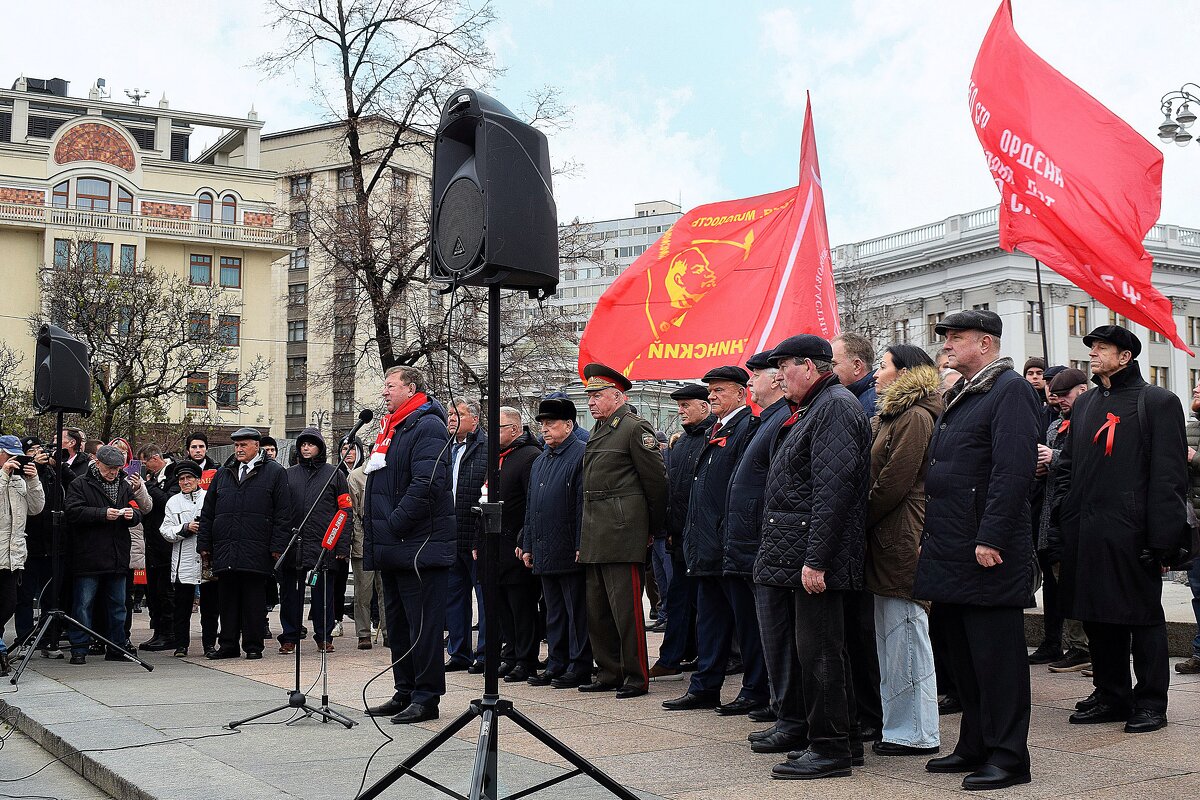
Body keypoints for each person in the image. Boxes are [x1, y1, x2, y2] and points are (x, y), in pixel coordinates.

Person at [914, 309, 1039, 790]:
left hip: (984, 549)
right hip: (950, 545)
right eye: (945, 336)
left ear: (985, 344)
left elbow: (1012, 472)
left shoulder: (1010, 391)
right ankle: (974, 745)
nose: (946, 344)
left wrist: (991, 536)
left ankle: (1008, 756)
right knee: (962, 655)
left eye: (956, 337)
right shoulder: (965, 392)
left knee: (997, 660)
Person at [1052, 325, 1186, 734]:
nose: (1092, 353)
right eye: (1091, 347)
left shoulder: (1158, 401)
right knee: (1097, 616)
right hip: (1087, 531)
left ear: (1125, 357)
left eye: (1102, 348)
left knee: (1142, 619)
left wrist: (1162, 541)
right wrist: (1064, 519)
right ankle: (1111, 694)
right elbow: (1068, 467)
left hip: (1133, 533)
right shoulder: (1087, 402)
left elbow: (1169, 476)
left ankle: (1150, 702)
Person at [754, 334, 871, 781]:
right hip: (806, 552)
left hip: (818, 556)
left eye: (784, 366)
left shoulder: (835, 407)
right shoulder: (818, 406)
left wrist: (817, 559)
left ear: (810, 366)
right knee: (820, 652)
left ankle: (830, 748)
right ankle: (840, 740)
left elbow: (834, 491)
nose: (779, 375)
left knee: (821, 653)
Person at [664, 366, 767, 717]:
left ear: (741, 393)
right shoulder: (715, 430)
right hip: (705, 545)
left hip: (729, 546)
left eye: (719, 390)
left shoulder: (746, 429)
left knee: (745, 624)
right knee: (709, 622)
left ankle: (754, 690)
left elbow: (741, 490)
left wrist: (726, 534)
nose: (711, 396)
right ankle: (705, 687)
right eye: (710, 391)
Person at [362, 366, 455, 724]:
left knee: (423, 627)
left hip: (419, 546)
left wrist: (395, 522)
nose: (384, 392)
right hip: (393, 545)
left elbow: (428, 483)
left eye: (390, 385)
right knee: (398, 626)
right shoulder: (393, 427)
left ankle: (426, 696)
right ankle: (405, 691)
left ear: (410, 388)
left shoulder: (427, 425)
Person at [863, 345, 942, 757]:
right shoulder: (895, 414)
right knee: (891, 639)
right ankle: (898, 726)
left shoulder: (914, 416)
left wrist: (861, 515)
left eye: (884, 365)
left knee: (907, 634)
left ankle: (916, 731)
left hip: (902, 535)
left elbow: (895, 481)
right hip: (889, 534)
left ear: (905, 372)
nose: (877, 373)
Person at [578, 362, 669, 698]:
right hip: (596, 533)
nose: (590, 402)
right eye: (589, 396)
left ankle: (634, 675)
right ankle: (608, 670)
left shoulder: (633, 427)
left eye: (597, 396)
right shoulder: (600, 430)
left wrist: (653, 528)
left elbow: (656, 482)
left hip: (622, 531)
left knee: (626, 611)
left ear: (616, 397)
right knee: (598, 610)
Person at [724, 351, 793, 741]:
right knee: (761, 631)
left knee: (776, 634)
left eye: (757, 377)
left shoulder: (781, 418)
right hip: (752, 542)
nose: (750, 383)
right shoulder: (765, 420)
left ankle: (780, 707)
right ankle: (773, 702)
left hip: (766, 543)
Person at [197, 427, 292, 660]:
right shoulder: (224, 473)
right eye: (236, 445)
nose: (239, 449)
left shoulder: (275, 472)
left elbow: (283, 514)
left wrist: (277, 547)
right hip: (226, 547)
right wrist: (205, 543)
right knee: (227, 599)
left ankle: (253, 645)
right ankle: (228, 644)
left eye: (244, 445)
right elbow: (208, 510)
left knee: (253, 600)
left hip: (256, 547)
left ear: (256, 446)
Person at [831, 332, 885, 738]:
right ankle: (865, 712)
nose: (829, 372)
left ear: (858, 368)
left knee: (864, 637)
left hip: (867, 535)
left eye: (834, 364)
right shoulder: (855, 401)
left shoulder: (861, 405)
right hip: (858, 535)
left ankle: (871, 715)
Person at [520, 397, 592, 688]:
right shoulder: (540, 460)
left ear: (569, 425)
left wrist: (580, 544)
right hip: (544, 547)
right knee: (553, 612)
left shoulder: (581, 455)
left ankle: (579, 665)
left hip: (568, 547)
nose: (545, 429)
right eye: (542, 424)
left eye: (551, 424)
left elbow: (581, 505)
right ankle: (556, 663)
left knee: (576, 612)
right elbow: (531, 506)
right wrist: (528, 543)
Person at [647, 383, 712, 682]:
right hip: (679, 537)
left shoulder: (713, 437)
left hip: (704, 537)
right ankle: (672, 656)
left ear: (704, 406)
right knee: (678, 599)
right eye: (679, 406)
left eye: (687, 405)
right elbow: (673, 490)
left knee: (705, 604)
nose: (681, 410)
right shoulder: (682, 443)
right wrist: (668, 529)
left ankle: (703, 659)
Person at [1033, 369, 1091, 674]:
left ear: (1081, 390)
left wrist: (1052, 458)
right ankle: (1073, 644)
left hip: (1074, 517)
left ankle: (1084, 647)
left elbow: (1084, 463)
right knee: (1061, 583)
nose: (1058, 399)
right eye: (1054, 393)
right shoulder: (1056, 423)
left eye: (1064, 394)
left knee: (1078, 584)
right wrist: (1041, 465)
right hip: (1052, 514)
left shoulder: (1090, 421)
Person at [64, 445, 142, 665]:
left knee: (118, 605)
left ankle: (117, 646)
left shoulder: (124, 485)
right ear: (97, 463)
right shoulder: (80, 484)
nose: (113, 473)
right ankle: (79, 648)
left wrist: (131, 515)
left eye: (117, 469)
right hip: (88, 555)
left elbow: (137, 511)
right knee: (83, 605)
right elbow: (72, 511)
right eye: (109, 468)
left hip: (117, 555)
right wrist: (102, 514)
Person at [482, 407, 542, 682]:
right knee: (502, 604)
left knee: (521, 605)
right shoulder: (496, 457)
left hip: (516, 542)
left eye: (499, 427)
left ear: (515, 430)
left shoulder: (529, 456)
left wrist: (524, 538)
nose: (493, 433)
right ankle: (510, 654)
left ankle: (525, 659)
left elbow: (533, 502)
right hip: (494, 543)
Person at [281, 427, 351, 654]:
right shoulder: (289, 474)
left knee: (324, 596)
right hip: (294, 545)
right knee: (291, 595)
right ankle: (290, 636)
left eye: (310, 444)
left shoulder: (335, 474)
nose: (305, 448)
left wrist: (341, 545)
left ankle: (324, 636)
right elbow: (280, 512)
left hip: (324, 545)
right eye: (302, 444)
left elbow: (345, 511)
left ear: (319, 447)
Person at [446, 397, 488, 673]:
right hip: (449, 536)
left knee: (484, 598)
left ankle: (484, 653)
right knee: (454, 598)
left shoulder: (486, 448)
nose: (450, 418)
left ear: (473, 419)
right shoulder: (447, 449)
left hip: (476, 536)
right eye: (449, 414)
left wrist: (479, 536)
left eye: (457, 414)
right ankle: (459, 652)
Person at [0, 436, 45, 675]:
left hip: (12, 556)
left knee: (8, 605)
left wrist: (34, 478)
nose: (14, 460)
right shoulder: (4, 477)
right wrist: (3, 475)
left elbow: (37, 507)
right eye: (9, 455)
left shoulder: (20, 480)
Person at [160, 461, 205, 657]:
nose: (185, 482)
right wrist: (184, 528)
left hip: (206, 561)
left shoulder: (208, 498)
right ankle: (181, 645)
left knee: (210, 610)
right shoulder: (173, 502)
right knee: (182, 609)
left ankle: (210, 644)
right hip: (183, 562)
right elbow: (165, 531)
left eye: (189, 478)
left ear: (197, 479)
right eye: (181, 479)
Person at [137, 445, 176, 652]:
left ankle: (169, 633)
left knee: (165, 591)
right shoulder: (154, 478)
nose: (144, 467)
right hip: (152, 541)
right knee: (153, 591)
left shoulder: (174, 473)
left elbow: (169, 501)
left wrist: (149, 486)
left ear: (155, 458)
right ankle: (159, 631)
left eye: (145, 463)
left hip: (167, 544)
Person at [1182, 379, 1200, 675]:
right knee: (1198, 590)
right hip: (1195, 524)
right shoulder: (1188, 427)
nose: (1196, 390)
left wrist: (1195, 458)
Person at [832, 332, 878, 416]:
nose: (829, 371)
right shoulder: (855, 398)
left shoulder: (871, 405)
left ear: (857, 366)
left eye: (833, 364)